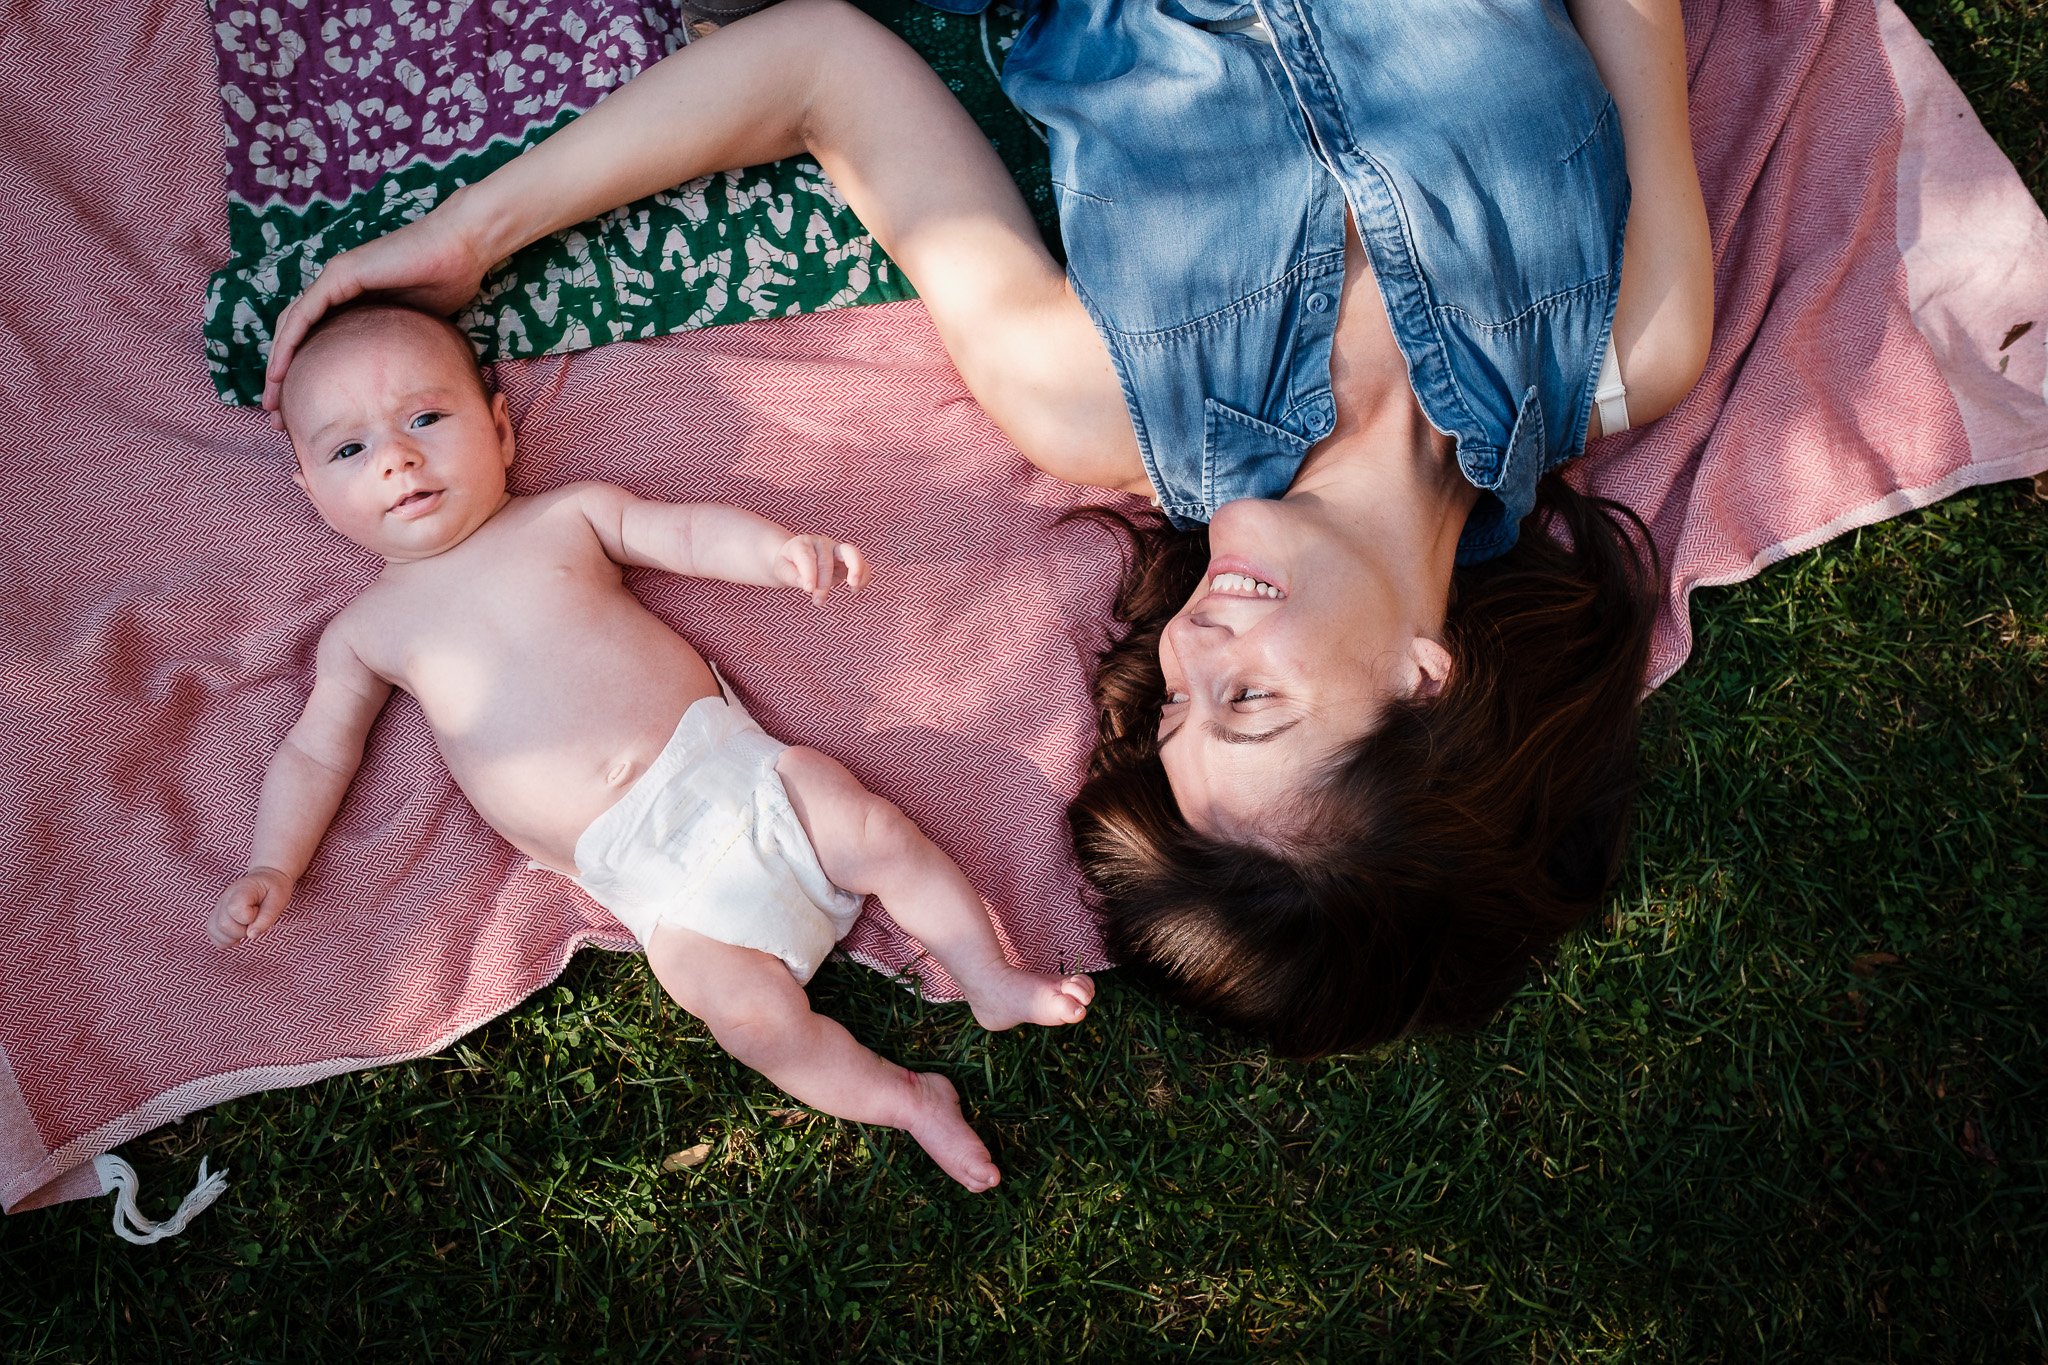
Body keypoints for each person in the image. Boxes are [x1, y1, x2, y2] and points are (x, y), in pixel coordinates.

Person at [258, 0, 1712, 1058]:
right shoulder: (1631, 345)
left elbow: (818, 69)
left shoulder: (1102, 406)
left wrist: (470, 241)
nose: (1197, 641)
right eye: (1250, 700)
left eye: (1181, 709)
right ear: (1422, 680)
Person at [210, 303, 1094, 1190]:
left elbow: (682, 532)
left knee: (878, 831)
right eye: (349, 451)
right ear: (309, 490)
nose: (398, 458)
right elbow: (318, 752)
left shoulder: (565, 518)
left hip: (739, 776)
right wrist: (272, 863)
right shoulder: (367, 631)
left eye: (427, 418)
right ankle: (906, 1099)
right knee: (752, 1024)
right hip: (654, 884)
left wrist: (777, 551)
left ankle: (988, 973)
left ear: (502, 429)